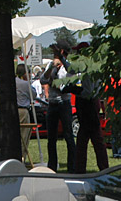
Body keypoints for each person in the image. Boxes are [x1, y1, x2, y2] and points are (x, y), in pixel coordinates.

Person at [40, 45, 76, 173]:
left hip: (64, 103)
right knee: (51, 137)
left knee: (68, 135)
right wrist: (52, 67)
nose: (55, 57)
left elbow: (72, 74)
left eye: (56, 54)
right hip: (53, 103)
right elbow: (42, 80)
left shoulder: (68, 66)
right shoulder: (51, 65)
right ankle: (52, 165)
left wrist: (62, 61)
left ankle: (72, 166)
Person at [15, 64, 36, 168]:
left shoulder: (13, 82)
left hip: (13, 111)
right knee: (24, 136)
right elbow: (34, 94)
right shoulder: (24, 84)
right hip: (23, 110)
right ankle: (21, 158)